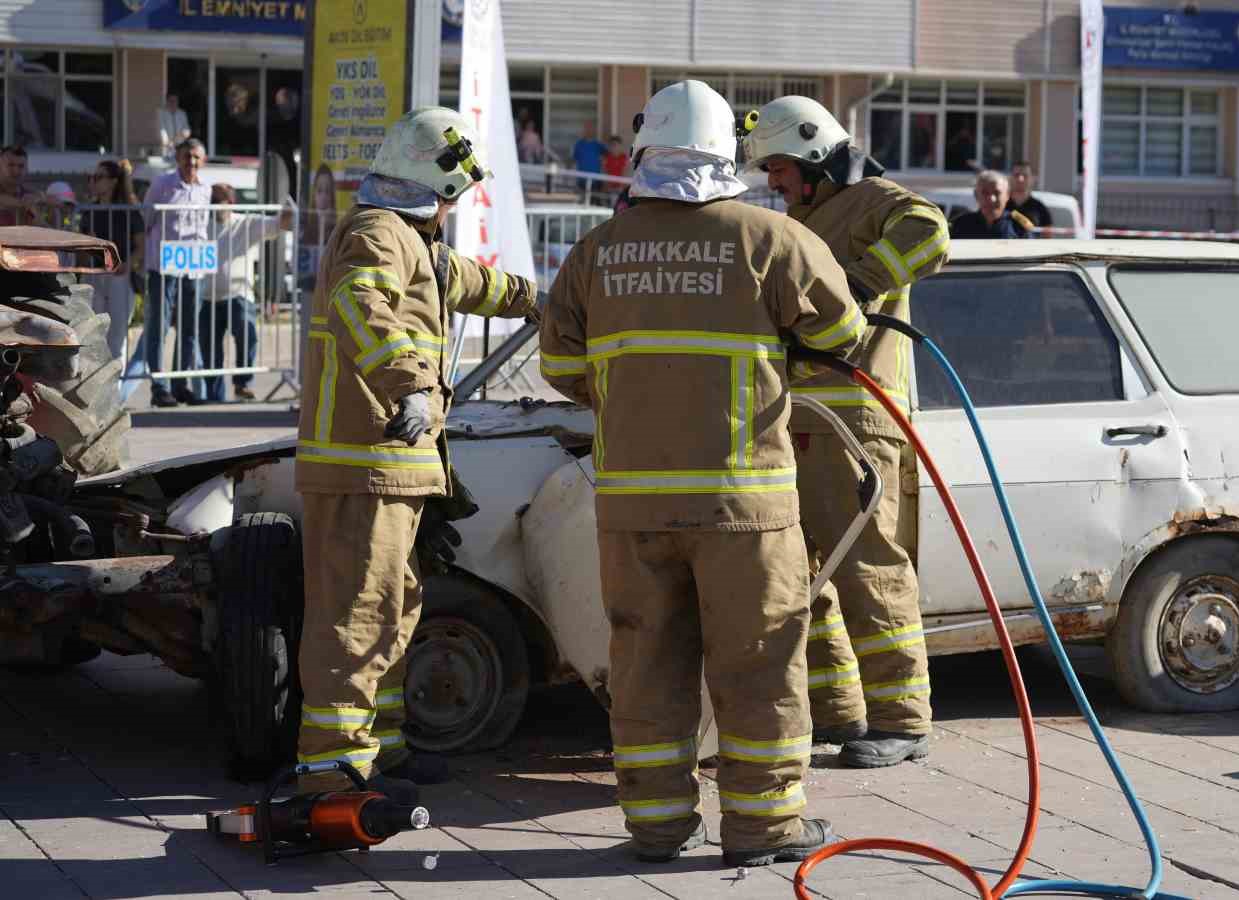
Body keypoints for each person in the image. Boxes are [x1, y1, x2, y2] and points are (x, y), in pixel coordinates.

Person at [540, 80, 864, 868]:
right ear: (729, 150)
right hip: (743, 508)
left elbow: (558, 366)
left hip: (631, 511)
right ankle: (762, 827)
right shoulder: (772, 238)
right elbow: (845, 336)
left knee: (646, 667)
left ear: (644, 148)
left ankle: (655, 826)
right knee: (758, 665)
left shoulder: (596, 250)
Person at [294, 106, 540, 798]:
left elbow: (478, 284)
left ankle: (383, 749)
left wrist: (542, 302)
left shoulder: (415, 243)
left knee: (394, 608)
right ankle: (330, 769)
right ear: (438, 185)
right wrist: (408, 385)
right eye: (457, 192)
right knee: (355, 617)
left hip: (393, 468)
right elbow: (357, 306)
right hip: (362, 466)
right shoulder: (377, 235)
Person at [743, 95, 949, 769]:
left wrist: (857, 286)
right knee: (807, 573)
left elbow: (930, 231)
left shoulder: (874, 199)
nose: (772, 181)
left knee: (867, 565)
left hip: (856, 418)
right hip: (801, 418)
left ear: (811, 152)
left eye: (777, 166)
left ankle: (904, 719)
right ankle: (840, 713)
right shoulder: (804, 216)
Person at [198, 183, 292, 403]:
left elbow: (281, 224)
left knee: (247, 336)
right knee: (210, 350)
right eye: (211, 202)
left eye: (218, 202)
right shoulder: (201, 225)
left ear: (231, 203)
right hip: (207, 298)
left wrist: (291, 200)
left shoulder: (246, 222)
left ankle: (243, 384)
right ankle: (215, 397)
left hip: (239, 295)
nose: (214, 207)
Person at [139, 139, 211, 407]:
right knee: (158, 327)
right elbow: (146, 221)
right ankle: (159, 386)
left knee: (190, 327)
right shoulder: (162, 183)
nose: (191, 162)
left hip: (194, 267)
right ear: (177, 158)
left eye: (195, 158)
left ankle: (181, 384)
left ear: (202, 161)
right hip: (163, 267)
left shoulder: (206, 188)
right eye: (186, 156)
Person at [81, 159, 145, 374]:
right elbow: (85, 244)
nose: (93, 182)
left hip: (120, 277)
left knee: (117, 335)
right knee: (94, 334)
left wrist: (128, 264)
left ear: (113, 182)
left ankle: (115, 393)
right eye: (92, 177)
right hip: (95, 275)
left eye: (99, 178)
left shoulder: (129, 210)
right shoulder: (89, 210)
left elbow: (141, 246)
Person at [950, 170, 1034, 238]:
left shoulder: (1019, 226)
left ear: (1008, 195)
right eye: (985, 193)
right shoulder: (961, 225)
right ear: (976, 195)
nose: (991, 199)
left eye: (997, 193)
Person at [0, 145, 45, 227]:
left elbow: (43, 229)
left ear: (27, 169)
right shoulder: (29, 198)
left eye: (21, 166)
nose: (16, 171)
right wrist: (24, 203)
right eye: (10, 165)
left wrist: (40, 198)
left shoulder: (30, 195)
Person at [1007, 162, 1052, 228]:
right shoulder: (1001, 205)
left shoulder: (1040, 208)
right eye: (1016, 175)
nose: (1020, 179)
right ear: (1010, 178)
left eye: (1025, 175)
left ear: (1032, 179)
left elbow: (1047, 234)